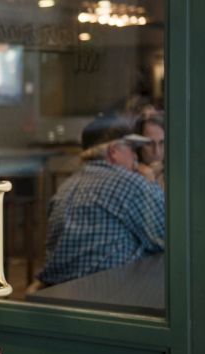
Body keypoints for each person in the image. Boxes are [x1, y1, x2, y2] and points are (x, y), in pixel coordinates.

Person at [37, 115, 165, 286]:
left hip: (57, 291)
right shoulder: (128, 183)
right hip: (107, 291)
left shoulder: (66, 187)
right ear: (113, 151)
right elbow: (169, 237)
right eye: (131, 148)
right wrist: (151, 182)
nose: (135, 156)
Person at [135, 112, 165, 188]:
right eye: (149, 144)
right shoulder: (130, 175)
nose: (157, 152)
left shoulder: (179, 172)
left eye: (162, 143)